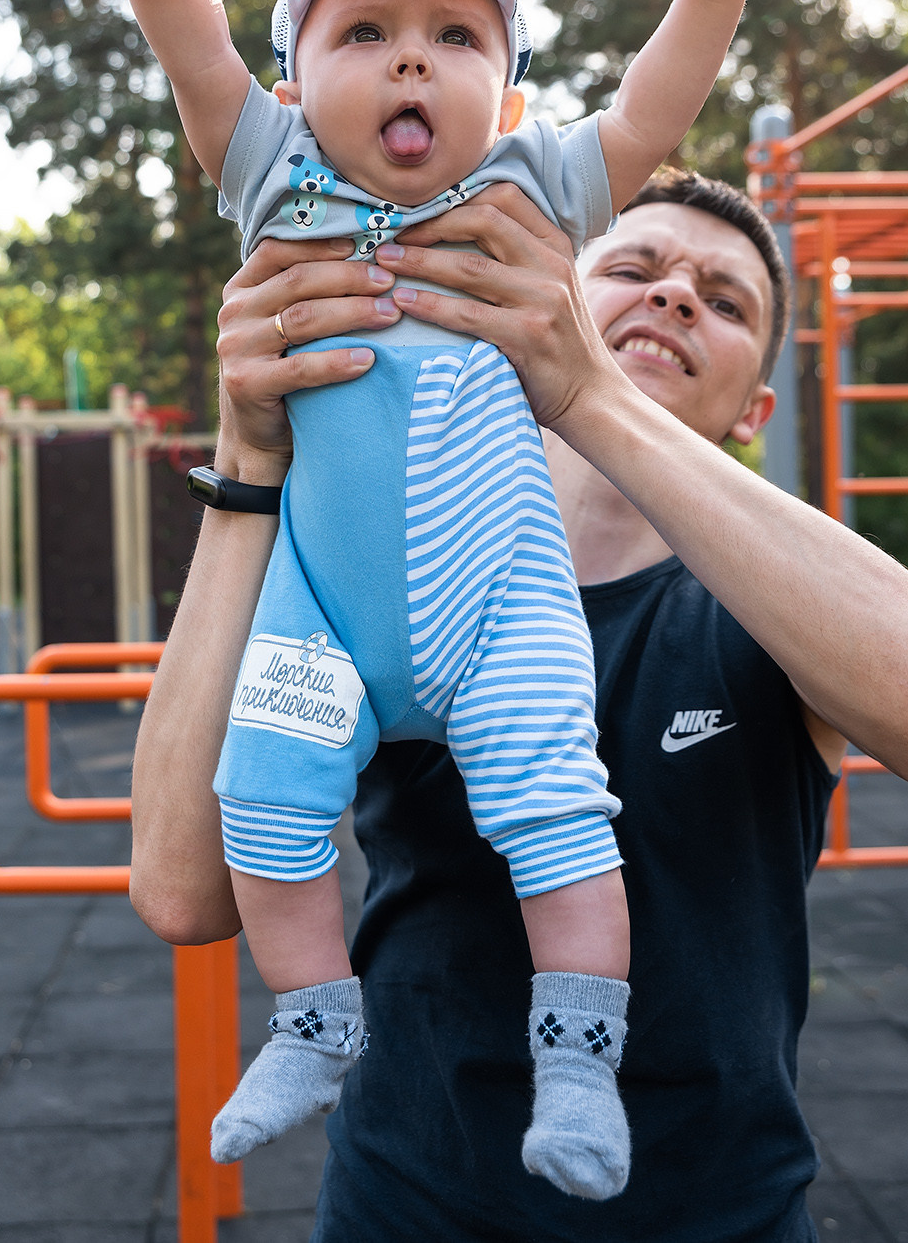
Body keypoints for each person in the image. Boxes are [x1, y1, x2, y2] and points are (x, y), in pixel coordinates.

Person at [51, 0, 798, 1198]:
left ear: (508, 96)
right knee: (263, 802)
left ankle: (577, 1063)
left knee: (558, 810)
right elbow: (192, 41)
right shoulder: (274, 174)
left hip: (498, 600)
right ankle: (313, 1025)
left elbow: (645, 112)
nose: (410, 57)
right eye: (365, 32)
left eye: (457, 36)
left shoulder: (532, 197)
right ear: (293, 79)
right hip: (318, 601)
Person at [128, 166, 908, 1241]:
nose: (673, 295)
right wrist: (249, 459)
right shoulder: (396, 574)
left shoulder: (771, 605)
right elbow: (180, 891)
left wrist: (589, 394)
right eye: (628, 269)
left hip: (715, 1212)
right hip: (408, 1199)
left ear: (752, 410)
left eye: (720, 302)